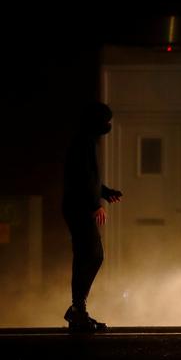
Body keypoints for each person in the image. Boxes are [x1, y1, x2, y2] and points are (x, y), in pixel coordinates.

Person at [62, 102, 123, 332]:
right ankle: (78, 309)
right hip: (79, 208)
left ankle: (78, 310)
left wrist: (105, 192)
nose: (108, 125)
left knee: (86, 256)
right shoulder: (83, 143)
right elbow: (83, 178)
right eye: (105, 120)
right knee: (92, 255)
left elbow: (89, 178)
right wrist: (94, 204)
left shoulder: (85, 141)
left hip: (77, 206)